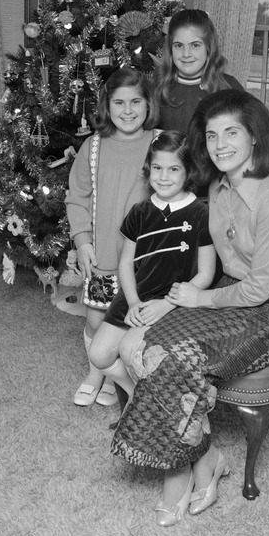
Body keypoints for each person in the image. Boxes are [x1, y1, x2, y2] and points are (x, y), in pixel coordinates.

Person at [110, 88, 269, 527]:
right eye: (212, 135)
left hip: (265, 309)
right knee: (134, 345)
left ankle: (176, 475)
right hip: (222, 291)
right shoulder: (218, 183)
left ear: (254, 136)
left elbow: (256, 292)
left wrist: (199, 297)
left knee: (172, 357)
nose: (220, 145)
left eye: (231, 133)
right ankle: (208, 458)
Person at [87, 130, 217, 402]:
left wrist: (168, 304)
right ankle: (138, 396)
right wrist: (133, 302)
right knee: (98, 354)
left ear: (188, 171)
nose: (163, 176)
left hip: (175, 302)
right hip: (137, 295)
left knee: (131, 350)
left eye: (173, 169)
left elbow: (206, 273)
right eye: (157, 168)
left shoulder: (201, 214)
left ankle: (150, 400)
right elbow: (125, 264)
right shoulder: (140, 211)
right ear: (148, 168)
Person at [65, 68, 159, 407]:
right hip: (104, 251)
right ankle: (96, 372)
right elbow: (76, 198)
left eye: (136, 101)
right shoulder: (93, 147)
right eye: (119, 102)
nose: (128, 110)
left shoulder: (161, 143)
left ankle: (114, 374)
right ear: (107, 105)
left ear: (148, 104)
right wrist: (82, 241)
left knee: (129, 323)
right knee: (95, 319)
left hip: (145, 260)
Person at [153, 8, 269, 140]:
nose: (186, 53)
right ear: (170, 48)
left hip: (214, 181)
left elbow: (255, 126)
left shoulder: (227, 86)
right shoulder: (159, 88)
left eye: (195, 45)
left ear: (208, 47)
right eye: (178, 46)